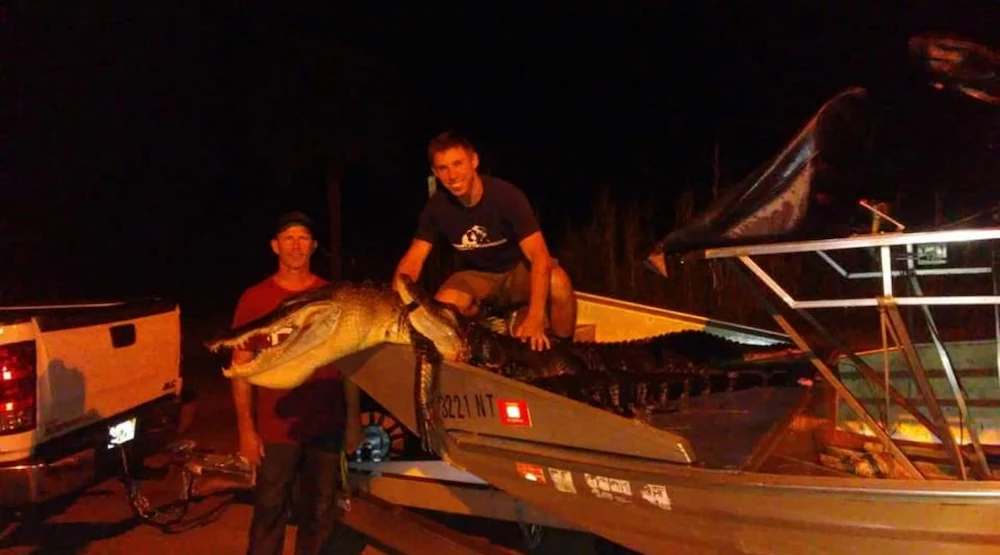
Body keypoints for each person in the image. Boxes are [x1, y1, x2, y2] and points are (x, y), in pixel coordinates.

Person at [229, 211, 361, 555]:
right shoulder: (255, 299)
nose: (296, 245)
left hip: (326, 424)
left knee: (319, 510)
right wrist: (246, 429)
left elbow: (348, 365)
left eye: (303, 238)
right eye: (288, 238)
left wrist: (353, 422)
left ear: (313, 246)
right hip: (277, 428)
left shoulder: (332, 296)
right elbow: (240, 368)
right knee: (270, 508)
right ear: (275, 246)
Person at [393, 131, 577, 351]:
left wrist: (535, 318)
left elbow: (539, 257)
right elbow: (413, 260)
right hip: (476, 276)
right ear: (435, 172)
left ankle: (565, 349)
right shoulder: (437, 208)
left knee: (560, 283)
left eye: (458, 164)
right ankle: (485, 321)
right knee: (445, 307)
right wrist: (395, 306)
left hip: (516, 270)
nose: (452, 175)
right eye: (443, 168)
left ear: (474, 161)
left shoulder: (506, 196)